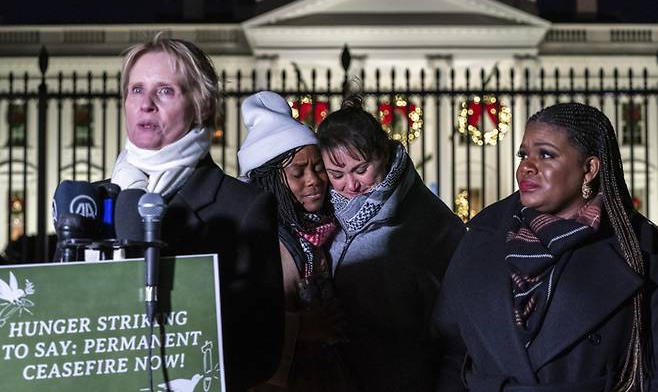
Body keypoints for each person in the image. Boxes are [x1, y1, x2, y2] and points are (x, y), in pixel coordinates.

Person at [433, 102, 658, 391]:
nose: (526, 167)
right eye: (523, 154)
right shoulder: (481, 237)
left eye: (546, 155)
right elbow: (449, 350)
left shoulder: (638, 248)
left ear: (589, 169)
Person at [110, 36, 284, 392]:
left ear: (201, 106)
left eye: (165, 92)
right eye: (136, 90)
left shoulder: (244, 207)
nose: (145, 104)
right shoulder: (95, 201)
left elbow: (263, 353)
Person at [315, 95, 466, 392]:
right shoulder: (317, 214)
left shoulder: (426, 218)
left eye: (361, 169)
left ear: (383, 154)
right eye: (337, 174)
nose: (351, 184)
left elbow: (462, 310)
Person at [238, 91, 357, 392]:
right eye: (297, 172)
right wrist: (302, 328)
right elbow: (241, 319)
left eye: (318, 167)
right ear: (272, 180)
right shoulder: (261, 239)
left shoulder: (321, 229)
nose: (313, 180)